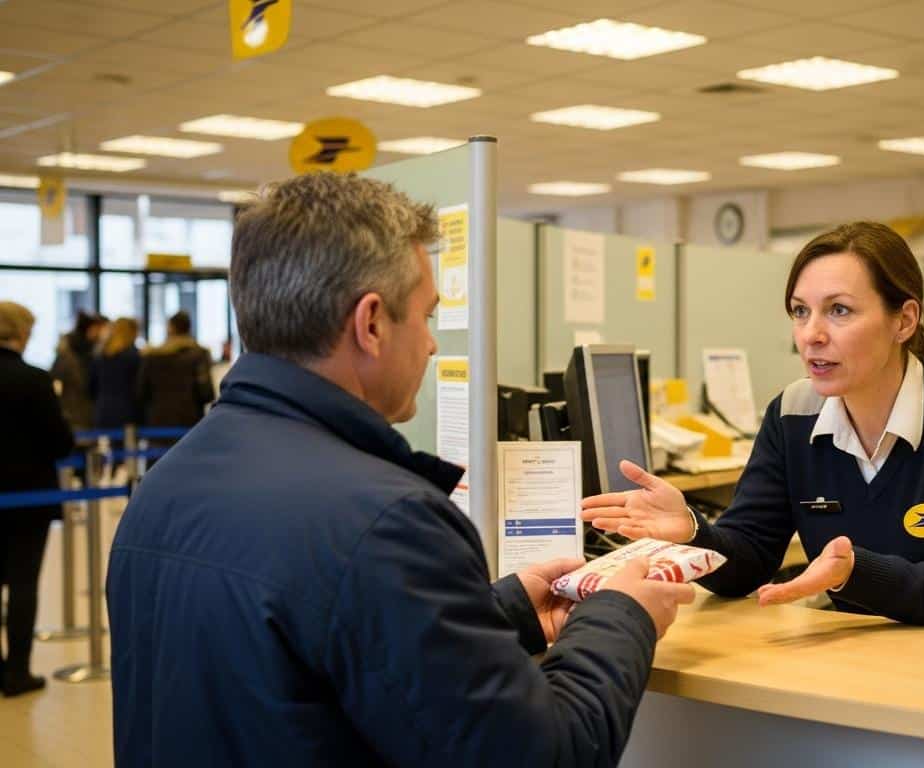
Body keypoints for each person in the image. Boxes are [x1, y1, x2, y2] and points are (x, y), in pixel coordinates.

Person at [107, 172, 694, 767]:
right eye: (426, 317)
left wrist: (505, 611)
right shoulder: (384, 520)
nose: (434, 346)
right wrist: (621, 617)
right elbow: (544, 757)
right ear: (370, 323)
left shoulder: (166, 482)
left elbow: (304, 661)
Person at [583, 222, 924, 627]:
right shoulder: (792, 413)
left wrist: (854, 573)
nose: (810, 335)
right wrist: (693, 533)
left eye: (839, 310)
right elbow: (747, 563)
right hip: (854, 659)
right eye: (801, 312)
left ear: (904, 320)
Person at [0, 301, 75, 696]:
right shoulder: (33, 379)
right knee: (23, 584)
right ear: (20, 332)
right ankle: (17, 672)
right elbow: (59, 440)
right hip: (29, 496)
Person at [137, 310, 213, 428]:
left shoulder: (152, 356)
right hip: (190, 421)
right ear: (189, 328)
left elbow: (141, 391)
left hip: (158, 421)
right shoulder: (200, 354)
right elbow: (206, 392)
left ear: (170, 328)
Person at [51, 311, 108, 430]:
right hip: (73, 415)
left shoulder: (95, 353)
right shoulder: (68, 355)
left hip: (87, 414)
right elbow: (56, 384)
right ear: (90, 329)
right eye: (100, 329)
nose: (103, 334)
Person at [91, 317, 142, 431]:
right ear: (132, 332)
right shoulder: (134, 356)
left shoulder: (100, 355)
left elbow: (92, 386)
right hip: (128, 413)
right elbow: (139, 387)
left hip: (103, 411)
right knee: (128, 448)